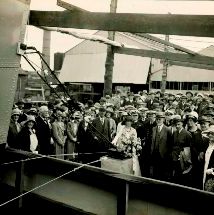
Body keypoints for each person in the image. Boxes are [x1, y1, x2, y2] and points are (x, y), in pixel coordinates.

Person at [150, 112, 171, 181]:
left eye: (160, 119)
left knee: (162, 171)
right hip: (154, 153)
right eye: (157, 119)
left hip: (163, 154)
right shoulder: (153, 129)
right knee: (155, 170)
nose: (158, 121)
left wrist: (167, 153)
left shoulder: (167, 129)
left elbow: (170, 143)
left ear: (163, 120)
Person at [203, 127, 214, 192]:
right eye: (209, 133)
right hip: (206, 169)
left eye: (212, 134)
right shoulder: (208, 145)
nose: (210, 135)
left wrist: (212, 169)